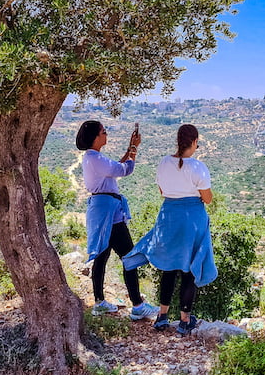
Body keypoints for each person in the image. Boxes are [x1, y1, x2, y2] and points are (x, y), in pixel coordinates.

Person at [123, 124, 217, 335]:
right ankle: (184, 321)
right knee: (189, 269)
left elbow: (162, 190)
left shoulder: (165, 163)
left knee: (169, 267)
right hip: (193, 219)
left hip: (169, 217)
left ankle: (162, 316)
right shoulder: (199, 167)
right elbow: (208, 199)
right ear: (194, 142)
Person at [75, 120, 158, 321]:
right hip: (110, 215)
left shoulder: (92, 158)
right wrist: (134, 149)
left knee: (102, 258)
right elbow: (124, 170)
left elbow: (116, 167)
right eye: (103, 131)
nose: (106, 134)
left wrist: (130, 149)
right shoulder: (95, 158)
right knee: (130, 257)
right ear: (96, 137)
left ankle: (100, 302)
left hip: (101, 212)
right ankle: (138, 306)